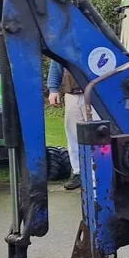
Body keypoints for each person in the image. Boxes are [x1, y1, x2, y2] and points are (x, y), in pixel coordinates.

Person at [46, 60, 84, 190]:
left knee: (100, 133)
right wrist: (53, 89)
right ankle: (78, 172)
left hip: (96, 93)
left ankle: (99, 170)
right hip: (72, 94)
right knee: (73, 134)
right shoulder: (64, 47)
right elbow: (56, 64)